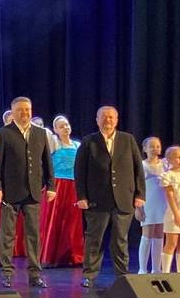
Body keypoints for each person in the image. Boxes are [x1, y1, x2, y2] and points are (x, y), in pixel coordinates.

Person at [75, 105, 145, 287]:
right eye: (104, 117)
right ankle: (89, 275)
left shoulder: (128, 139)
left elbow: (138, 168)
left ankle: (122, 275)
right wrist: (81, 196)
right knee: (94, 239)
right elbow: (80, 171)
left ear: (117, 120)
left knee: (120, 240)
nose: (108, 120)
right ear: (97, 120)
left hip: (124, 199)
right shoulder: (89, 141)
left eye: (111, 117)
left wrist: (140, 194)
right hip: (96, 200)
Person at [0, 97, 54, 289]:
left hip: (33, 191)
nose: (24, 113)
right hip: (10, 192)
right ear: (13, 112)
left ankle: (35, 273)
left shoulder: (40, 133)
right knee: (8, 234)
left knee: (33, 234)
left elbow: (47, 162)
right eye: (20, 110)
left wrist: (51, 186)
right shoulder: (3, 133)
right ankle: (7, 273)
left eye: (27, 109)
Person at [39, 116, 84, 267]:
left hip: (73, 185)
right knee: (55, 218)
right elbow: (45, 132)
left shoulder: (77, 145)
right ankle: (50, 256)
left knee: (73, 221)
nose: (65, 127)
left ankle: (73, 255)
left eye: (67, 124)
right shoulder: (54, 143)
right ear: (56, 130)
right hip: (58, 185)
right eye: (61, 126)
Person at [159, 146, 180, 273]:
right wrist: (176, 215)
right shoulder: (167, 175)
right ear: (169, 159)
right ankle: (165, 273)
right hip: (174, 212)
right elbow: (170, 197)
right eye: (177, 157)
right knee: (171, 243)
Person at [138, 137, 165, 274]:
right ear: (145, 149)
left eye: (157, 146)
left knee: (159, 234)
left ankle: (156, 268)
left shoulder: (165, 164)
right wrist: (138, 207)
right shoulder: (142, 165)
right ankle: (142, 269)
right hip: (148, 203)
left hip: (162, 203)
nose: (155, 149)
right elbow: (137, 187)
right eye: (151, 146)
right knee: (147, 234)